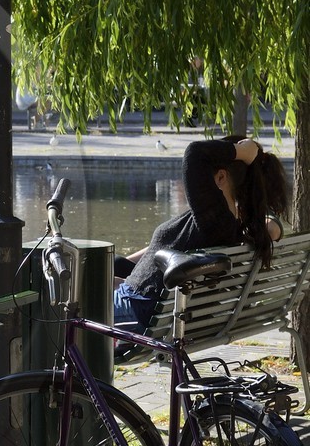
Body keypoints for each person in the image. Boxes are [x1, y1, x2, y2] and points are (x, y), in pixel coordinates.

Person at [114, 136, 289, 334]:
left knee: (83, 298)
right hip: (153, 304)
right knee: (110, 266)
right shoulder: (229, 224)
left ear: (221, 177)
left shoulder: (215, 220)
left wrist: (243, 152)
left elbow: (195, 153)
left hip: (140, 308)